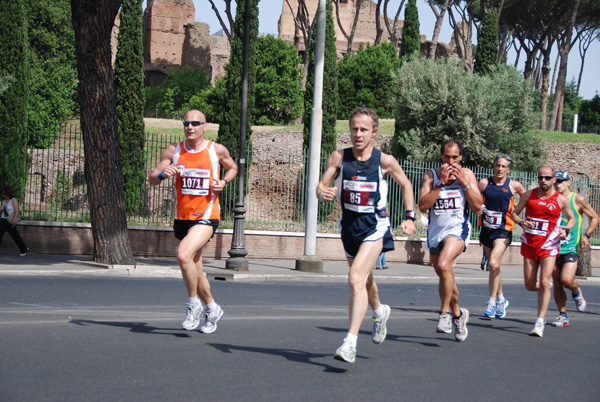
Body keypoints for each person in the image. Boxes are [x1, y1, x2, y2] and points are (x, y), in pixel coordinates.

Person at [317, 106, 416, 363]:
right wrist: (323, 192)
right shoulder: (339, 157)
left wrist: (409, 217)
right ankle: (380, 310)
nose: (358, 134)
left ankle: (350, 342)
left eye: (363, 129)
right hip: (348, 226)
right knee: (364, 280)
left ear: (374, 131)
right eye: (354, 129)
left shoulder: (385, 161)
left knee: (354, 278)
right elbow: (322, 184)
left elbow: (406, 184)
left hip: (375, 225)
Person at [149, 110, 238, 334]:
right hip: (183, 218)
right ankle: (212, 308)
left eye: (195, 123)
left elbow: (233, 167)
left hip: (207, 215)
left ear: (204, 126)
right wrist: (162, 175)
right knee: (196, 272)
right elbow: (152, 178)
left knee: (182, 254)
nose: (190, 127)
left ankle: (193, 305)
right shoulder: (174, 150)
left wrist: (224, 182)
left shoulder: (215, 150)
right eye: (187, 123)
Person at [418, 139, 482, 342]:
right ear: (441, 157)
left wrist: (466, 185)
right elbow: (422, 206)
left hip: (457, 228)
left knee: (445, 264)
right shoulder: (431, 176)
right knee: (445, 274)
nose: (451, 161)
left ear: (461, 157)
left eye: (455, 157)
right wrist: (439, 184)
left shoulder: (467, 174)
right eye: (447, 157)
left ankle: (444, 313)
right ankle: (458, 315)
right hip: (436, 231)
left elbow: (478, 206)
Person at [511, 166, 575, 337]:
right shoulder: (528, 195)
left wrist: (566, 230)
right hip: (530, 244)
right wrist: (521, 223)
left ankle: (540, 321)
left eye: (547, 178)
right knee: (530, 285)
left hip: (550, 245)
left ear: (554, 179)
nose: (543, 181)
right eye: (540, 177)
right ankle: (547, 288)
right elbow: (514, 214)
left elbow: (572, 219)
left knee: (545, 281)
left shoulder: (560, 199)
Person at [476, 154, 525, 319]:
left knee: (493, 263)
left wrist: (520, 215)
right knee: (494, 268)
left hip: (504, 229)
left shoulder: (514, 186)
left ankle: (491, 303)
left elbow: (527, 200)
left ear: (508, 169)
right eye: (498, 165)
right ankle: (501, 299)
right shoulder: (484, 183)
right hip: (487, 229)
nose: (500, 169)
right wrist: (478, 207)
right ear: (494, 167)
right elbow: (472, 200)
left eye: (503, 166)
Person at [551, 171, 599, 328]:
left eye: (561, 181)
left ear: (568, 182)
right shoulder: (552, 199)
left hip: (571, 246)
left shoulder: (577, 199)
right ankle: (563, 316)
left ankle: (576, 290)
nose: (557, 184)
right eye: (556, 181)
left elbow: (595, 217)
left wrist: (587, 235)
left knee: (566, 279)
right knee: (557, 284)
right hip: (553, 247)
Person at [0, 187, 29, 256]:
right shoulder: (4, 201)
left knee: (15, 236)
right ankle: (24, 248)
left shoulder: (13, 200)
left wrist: (14, 220)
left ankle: (23, 249)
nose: (3, 195)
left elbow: (16, 211)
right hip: (3, 220)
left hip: (10, 221)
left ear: (8, 193)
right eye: (2, 193)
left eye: (4, 193)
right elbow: (1, 211)